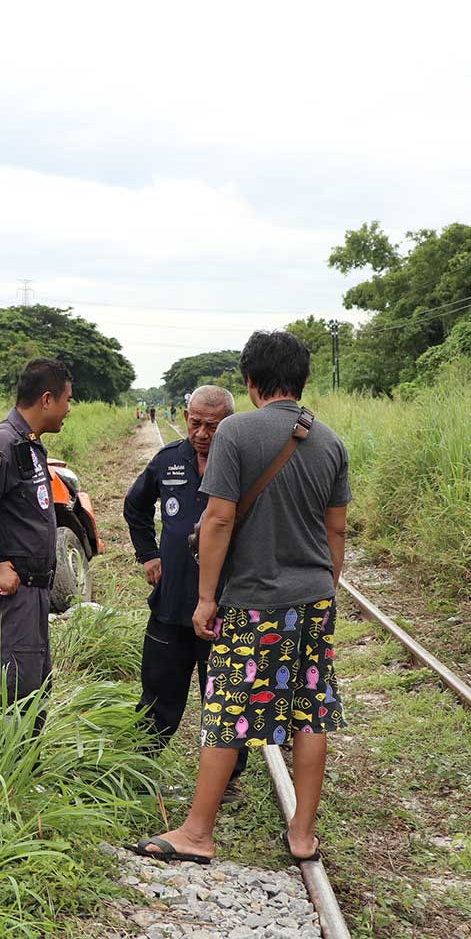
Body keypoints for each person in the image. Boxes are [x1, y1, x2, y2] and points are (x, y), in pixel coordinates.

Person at [128, 330, 351, 865]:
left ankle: (198, 833)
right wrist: (325, 587)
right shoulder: (330, 440)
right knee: (310, 712)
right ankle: (302, 834)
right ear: (301, 381)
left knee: (228, 709)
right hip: (313, 598)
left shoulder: (236, 434)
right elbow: (336, 532)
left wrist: (205, 599)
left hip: (252, 601)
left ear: (251, 382)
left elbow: (220, 518)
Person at [124, 385, 247, 799]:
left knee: (226, 697)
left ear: (228, 423)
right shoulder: (167, 461)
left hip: (226, 606)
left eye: (212, 426)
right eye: (195, 422)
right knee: (159, 690)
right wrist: (148, 554)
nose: (201, 433)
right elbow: (135, 506)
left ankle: (227, 779)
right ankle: (139, 767)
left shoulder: (243, 464)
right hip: (173, 601)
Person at [0, 358, 73, 709]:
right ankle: (4, 765)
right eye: (68, 399)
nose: (70, 409)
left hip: (30, 595)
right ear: (47, 399)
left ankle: (28, 765)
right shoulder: (2, 445)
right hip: (8, 597)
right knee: (9, 695)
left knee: (33, 691)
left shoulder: (29, 443)